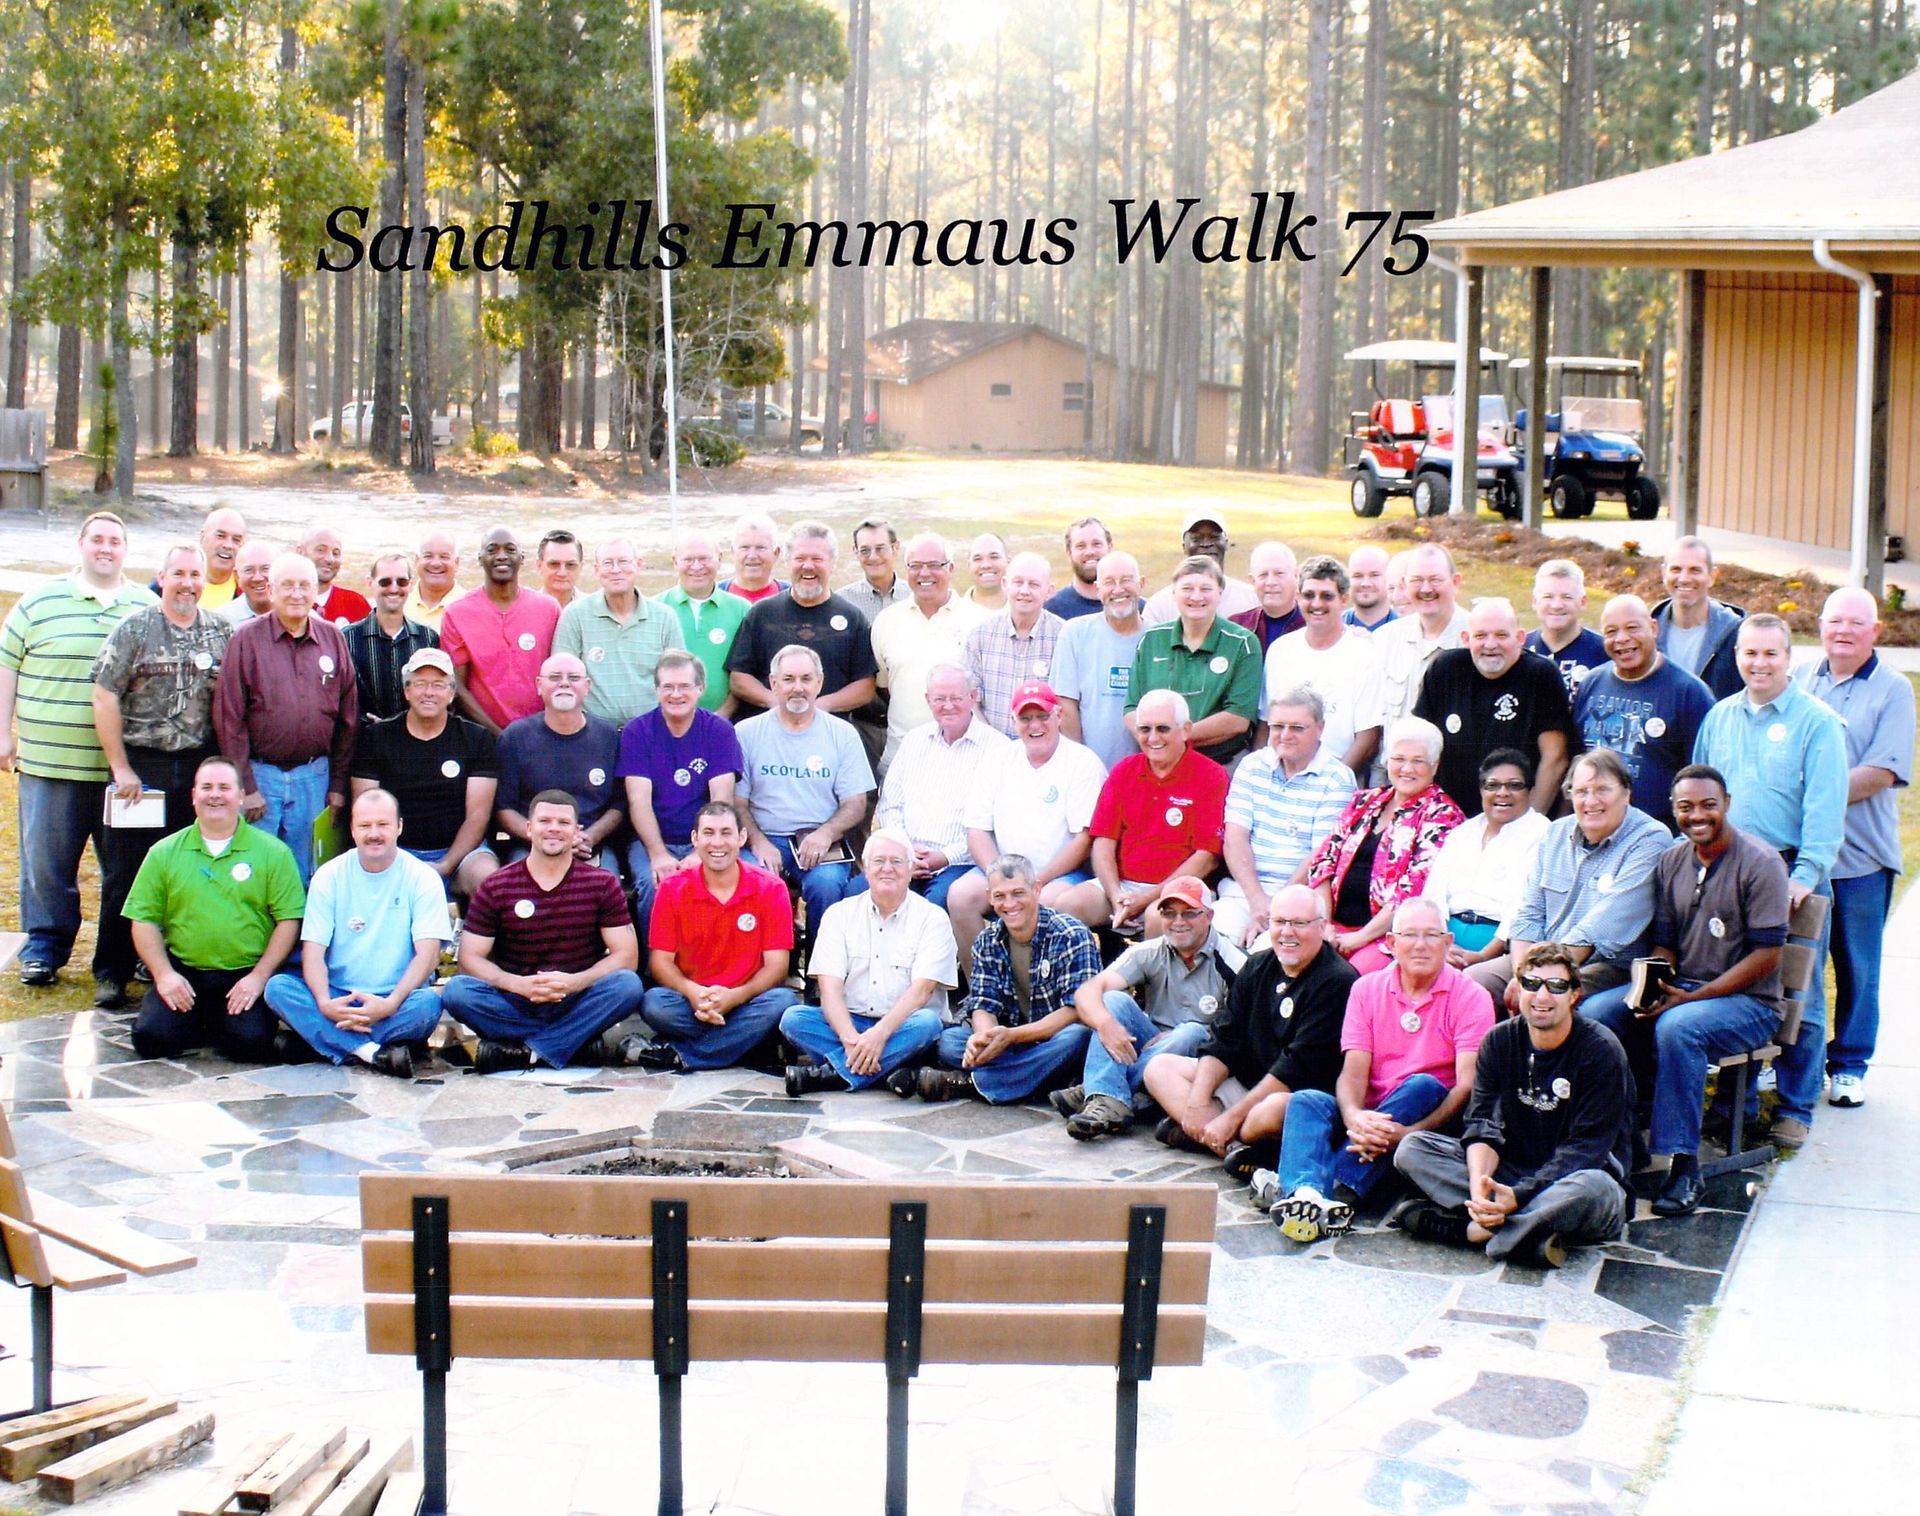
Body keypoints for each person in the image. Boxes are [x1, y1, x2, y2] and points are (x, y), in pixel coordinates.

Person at [1583, 766, 1791, 1214]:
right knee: (1598, 1015)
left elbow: (1768, 956)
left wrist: (1695, 997)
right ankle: (1621, 1140)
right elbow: (1665, 943)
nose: (1697, 815)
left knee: (1679, 1027)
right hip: (1685, 992)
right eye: (1685, 807)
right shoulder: (1673, 861)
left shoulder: (1761, 863)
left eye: (1708, 805)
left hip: (1749, 1004)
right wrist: (1654, 986)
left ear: (1727, 804)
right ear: (1673, 810)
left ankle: (1684, 1167)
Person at [1693, 613, 1847, 1149]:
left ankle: (1795, 1106)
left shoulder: (1818, 723)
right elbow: (1699, 794)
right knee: (1735, 984)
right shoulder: (1719, 717)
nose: (1759, 664)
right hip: (1728, 870)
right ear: (1737, 656)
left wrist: (1803, 877)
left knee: (1800, 991)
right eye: (1750, 653)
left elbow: (1825, 810)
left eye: (1770, 654)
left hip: (1790, 872)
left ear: (1788, 659)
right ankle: (1731, 1106)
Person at [1264, 897, 1494, 1243]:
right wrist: (1355, 1117)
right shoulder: (1366, 989)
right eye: (1409, 935)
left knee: (1422, 1086)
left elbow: (1466, 1085)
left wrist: (1408, 1132)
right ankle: (1307, 1195)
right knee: (1306, 1101)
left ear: (1448, 943)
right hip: (1371, 1117)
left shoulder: (1472, 996)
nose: (1420, 945)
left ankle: (1332, 1189)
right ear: (1391, 942)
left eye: (1431, 935)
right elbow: (1353, 1072)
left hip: (1427, 1119)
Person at [1392, 940, 1632, 1266]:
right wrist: (1480, 1188)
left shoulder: (1601, 1050)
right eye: (1531, 984)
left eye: (1556, 986)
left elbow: (1586, 1151)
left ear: (1575, 995)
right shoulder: (1499, 1040)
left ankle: (1469, 1232)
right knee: (1413, 1149)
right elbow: (1482, 1124)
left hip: (1574, 1177)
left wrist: (1518, 1196)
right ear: (1518, 989)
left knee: (1593, 1188)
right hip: (1511, 1171)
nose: (1542, 996)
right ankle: (1526, 1233)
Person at [0, 511, 156, 988]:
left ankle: (131, 951)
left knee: (128, 870)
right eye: (97, 539)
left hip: (123, 770)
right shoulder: (38, 602)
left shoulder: (144, 606)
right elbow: (6, 666)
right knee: (47, 865)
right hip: (51, 762)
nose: (105, 548)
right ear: (81, 544)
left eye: (115, 541)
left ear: (125, 550)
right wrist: (2, 732)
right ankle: (44, 948)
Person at [91, 543, 233, 1005]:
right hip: (142, 769)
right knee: (127, 873)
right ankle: (111, 970)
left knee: (189, 870)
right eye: (179, 574)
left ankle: (168, 964)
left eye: (195, 575)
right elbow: (104, 696)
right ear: (162, 577)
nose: (187, 584)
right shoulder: (135, 628)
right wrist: (120, 767)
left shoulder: (221, 632)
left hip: (197, 767)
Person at [1795, 587, 1914, 1108]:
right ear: (1821, 626)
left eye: (1855, 623)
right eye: (1835, 621)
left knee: (1857, 968)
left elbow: (1883, 770)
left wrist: (1811, 792)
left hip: (1860, 858)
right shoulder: (1801, 677)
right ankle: (1794, 1063)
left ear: (1876, 632)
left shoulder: (1893, 690)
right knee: (1797, 965)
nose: (1843, 631)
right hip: (1802, 857)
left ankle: (1848, 1065)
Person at [1146, 887, 1358, 1170]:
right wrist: (1197, 1102)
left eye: (1299, 923)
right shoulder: (1258, 965)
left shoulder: (1337, 981)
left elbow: (1294, 1068)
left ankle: (1214, 1135)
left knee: (1273, 1111)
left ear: (1322, 927)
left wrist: (1231, 1117)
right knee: (1159, 1068)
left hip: (1296, 1095)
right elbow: (1224, 1039)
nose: (1287, 932)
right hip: (1248, 1084)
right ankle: (1233, 1147)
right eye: (1279, 922)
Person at [441, 790, 645, 1073]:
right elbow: (469, 959)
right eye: (545, 821)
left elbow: (626, 957)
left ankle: (526, 1051)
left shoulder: (602, 884)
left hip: (577, 998)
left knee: (627, 985)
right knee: (457, 992)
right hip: (515, 999)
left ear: (577, 832)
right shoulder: (497, 885)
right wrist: (517, 984)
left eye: (563, 823)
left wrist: (575, 982)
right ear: (529, 828)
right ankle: (573, 1042)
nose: (553, 829)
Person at [124, 756, 304, 1062]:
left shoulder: (274, 852)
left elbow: (289, 920)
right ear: (194, 796)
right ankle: (205, 1021)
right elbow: (143, 920)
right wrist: (164, 975)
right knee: (151, 1040)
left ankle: (215, 1024)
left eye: (224, 787)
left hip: (243, 973)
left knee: (251, 1044)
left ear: (241, 796)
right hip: (185, 971)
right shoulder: (164, 852)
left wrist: (259, 977)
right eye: (206, 787)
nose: (215, 795)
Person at [263, 788, 449, 1076]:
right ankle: (373, 1052)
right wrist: (324, 1003)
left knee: (428, 1005)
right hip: (338, 996)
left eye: (383, 824)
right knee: (278, 989)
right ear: (352, 829)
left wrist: (389, 1004)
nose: (374, 833)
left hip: (397, 998)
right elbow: (313, 952)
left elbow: (428, 956)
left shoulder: (423, 877)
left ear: (399, 826)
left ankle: (325, 1041)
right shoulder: (329, 875)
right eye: (365, 825)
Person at [1469, 749, 1671, 1006]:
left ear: (1626, 792)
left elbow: (1601, 928)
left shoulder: (1649, 838)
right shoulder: (1555, 833)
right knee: (1473, 984)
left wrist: (1538, 978)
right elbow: (1528, 913)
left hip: (1605, 966)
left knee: (1555, 995)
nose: (1591, 801)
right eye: (1581, 791)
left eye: (1603, 790)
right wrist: (1523, 974)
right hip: (1538, 959)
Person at [1053, 876, 1245, 1141]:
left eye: (1190, 913)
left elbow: (1243, 1033)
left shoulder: (1233, 962)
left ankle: (1101, 1091)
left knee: (1190, 1033)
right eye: (1169, 913)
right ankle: (1110, 1097)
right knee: (1113, 1000)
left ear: (1209, 916)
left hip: (1198, 1058)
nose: (1178, 921)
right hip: (1151, 1043)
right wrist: (1105, 1024)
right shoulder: (1149, 951)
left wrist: (1184, 1034)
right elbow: (1088, 990)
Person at [212, 551, 358, 884]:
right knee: (252, 872)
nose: (296, 594)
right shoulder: (246, 639)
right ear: (271, 590)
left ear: (315, 590)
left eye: (304, 585)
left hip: (314, 777)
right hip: (261, 776)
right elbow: (229, 718)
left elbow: (348, 718)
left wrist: (337, 784)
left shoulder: (332, 638)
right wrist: (246, 786)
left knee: (307, 874)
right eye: (287, 585)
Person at [911, 854, 1103, 1104]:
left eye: (1018, 893)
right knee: (950, 1043)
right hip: (1014, 1043)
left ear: (1036, 889)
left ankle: (972, 1085)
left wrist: (1012, 1036)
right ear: (989, 897)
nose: (1009, 903)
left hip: (1053, 1037)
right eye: (1000, 896)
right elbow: (983, 1003)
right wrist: (986, 1040)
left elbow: (1077, 1011)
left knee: (1078, 1038)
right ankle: (1033, 1078)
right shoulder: (987, 940)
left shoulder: (1071, 934)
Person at [779, 828, 956, 1095]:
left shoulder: (933, 918)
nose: (887, 868)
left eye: (897, 862)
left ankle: (829, 1076)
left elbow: (922, 992)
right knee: (794, 1019)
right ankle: (891, 1069)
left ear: (910, 869)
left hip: (904, 1024)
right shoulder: (838, 914)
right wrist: (850, 1039)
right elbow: (829, 990)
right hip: (850, 1022)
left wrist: (880, 1035)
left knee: (928, 1024)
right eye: (879, 861)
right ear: (865, 868)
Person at [951, 681, 1106, 964]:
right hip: (1004, 870)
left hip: (1060, 875)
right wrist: (998, 878)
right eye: (1025, 718)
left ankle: (1035, 987)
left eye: (1042, 716)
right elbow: (977, 830)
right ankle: (982, 985)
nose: (1035, 725)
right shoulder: (997, 759)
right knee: (961, 896)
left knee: (1042, 904)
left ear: (1059, 715)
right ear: (1013, 720)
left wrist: (1038, 880)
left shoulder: (1082, 762)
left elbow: (1084, 839)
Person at [1055, 690, 1229, 937]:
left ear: (1186, 730)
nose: (1153, 738)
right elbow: (1103, 842)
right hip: (1122, 888)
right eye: (1145, 729)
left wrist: (1148, 898)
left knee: (1159, 917)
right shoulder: (1124, 770)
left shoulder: (1210, 776)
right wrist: (1116, 895)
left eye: (1163, 729)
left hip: (1179, 889)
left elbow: (1206, 858)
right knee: (1066, 906)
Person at [640, 800, 799, 1071]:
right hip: (693, 1003)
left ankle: (685, 1054)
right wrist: (693, 993)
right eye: (708, 833)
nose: (717, 843)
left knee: (783, 1003)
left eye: (726, 833)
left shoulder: (771, 888)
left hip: (748, 1000)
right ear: (695, 839)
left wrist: (735, 997)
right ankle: (746, 1044)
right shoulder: (671, 888)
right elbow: (660, 962)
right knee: (654, 1004)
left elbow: (777, 967)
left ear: (742, 837)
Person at [1305, 717, 1463, 975]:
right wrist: (1324, 925)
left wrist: (1359, 938)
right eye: (1399, 759)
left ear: (1434, 766)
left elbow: (1412, 890)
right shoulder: (1363, 801)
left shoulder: (1443, 815)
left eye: (1418, 761)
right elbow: (1324, 861)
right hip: (1331, 926)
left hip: (1385, 937)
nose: (1407, 768)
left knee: (1345, 978)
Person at [736, 644, 874, 933]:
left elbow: (856, 803)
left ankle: (819, 961)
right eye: (788, 679)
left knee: (826, 884)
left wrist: (826, 834)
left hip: (820, 837)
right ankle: (771, 960)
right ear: (773, 683)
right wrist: (757, 842)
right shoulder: (746, 733)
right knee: (754, 878)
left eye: (806, 679)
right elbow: (737, 802)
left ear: (819, 683)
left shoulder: (843, 734)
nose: (797, 688)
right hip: (764, 836)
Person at [618, 649, 744, 947]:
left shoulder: (718, 730)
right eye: (668, 687)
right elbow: (638, 801)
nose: (676, 694)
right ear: (656, 690)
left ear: (701, 688)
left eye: (685, 686)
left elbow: (721, 800)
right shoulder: (637, 731)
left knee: (742, 879)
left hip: (708, 838)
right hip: (653, 840)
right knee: (654, 885)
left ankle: (726, 961)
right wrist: (658, 854)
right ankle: (654, 967)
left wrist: (701, 850)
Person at [349, 648, 500, 897]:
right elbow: (367, 810)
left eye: (439, 685)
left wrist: (445, 865)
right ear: (407, 691)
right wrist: (405, 865)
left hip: (461, 856)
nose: (429, 692)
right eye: (420, 684)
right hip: (396, 853)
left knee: (487, 879)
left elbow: (478, 816)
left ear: (451, 694)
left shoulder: (477, 739)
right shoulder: (376, 738)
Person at [1216, 689, 1358, 948]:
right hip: (1244, 891)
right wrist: (1257, 900)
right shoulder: (1251, 766)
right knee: (1210, 938)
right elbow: (1235, 839)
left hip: (1300, 898)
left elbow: (1320, 855)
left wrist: (1275, 908)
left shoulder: (1337, 778)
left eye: (1297, 728)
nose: (1285, 735)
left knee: (1267, 953)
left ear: (1320, 728)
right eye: (1278, 726)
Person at [1413, 596, 1574, 816]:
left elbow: (1555, 758)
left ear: (1520, 638)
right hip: (1447, 816)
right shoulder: (1445, 669)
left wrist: (1530, 823)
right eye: (1480, 636)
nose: (1490, 645)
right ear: (1466, 638)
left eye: (1501, 635)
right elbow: (1420, 745)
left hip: (1514, 817)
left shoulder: (1540, 675)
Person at [1572, 594, 1716, 833]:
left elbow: (1704, 778)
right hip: (1595, 829)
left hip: (1659, 835)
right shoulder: (1591, 683)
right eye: (1611, 631)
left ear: (1654, 628)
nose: (1622, 639)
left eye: (1632, 628)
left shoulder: (1689, 693)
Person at [869, 664, 1005, 908]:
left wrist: (944, 857)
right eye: (940, 699)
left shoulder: (997, 749)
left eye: (956, 698)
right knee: (858, 891)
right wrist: (905, 852)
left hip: (961, 863)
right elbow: (890, 805)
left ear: (973, 697)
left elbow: (992, 825)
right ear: (928, 700)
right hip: (906, 858)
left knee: (933, 905)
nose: (948, 706)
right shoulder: (914, 740)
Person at [725, 522, 876, 718]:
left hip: (829, 728)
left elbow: (865, 685)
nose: (808, 566)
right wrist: (776, 703)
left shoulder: (852, 618)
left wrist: (821, 707)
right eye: (800, 558)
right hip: (770, 726)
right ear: (787, 561)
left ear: (833, 562)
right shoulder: (761, 613)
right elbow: (738, 678)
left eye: (817, 559)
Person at [1419, 750, 1550, 971]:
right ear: (1481, 790)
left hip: (1498, 945)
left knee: (1462, 980)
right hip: (1444, 939)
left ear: (1530, 791)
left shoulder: (1541, 833)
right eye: (1492, 785)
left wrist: (1482, 956)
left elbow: (1522, 909)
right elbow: (1433, 894)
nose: (1503, 793)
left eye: (1514, 786)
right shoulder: (1463, 832)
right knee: (1389, 977)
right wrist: (1438, 942)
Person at [1126, 556, 1262, 768]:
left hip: (1222, 763)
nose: (1196, 596)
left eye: (1206, 588)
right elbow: (1131, 708)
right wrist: (1162, 742)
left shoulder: (1243, 643)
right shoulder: (1152, 639)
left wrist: (1173, 738)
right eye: (1187, 588)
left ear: (1220, 593)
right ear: (1174, 593)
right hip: (1160, 763)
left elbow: (1238, 718)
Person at [494, 654, 624, 871]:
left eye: (573, 677)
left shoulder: (610, 737)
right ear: (539, 685)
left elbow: (618, 805)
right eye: (555, 677)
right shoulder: (515, 737)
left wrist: (590, 837)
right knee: (518, 885)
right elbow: (504, 808)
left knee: (607, 884)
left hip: (588, 846)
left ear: (587, 686)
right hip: (531, 846)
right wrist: (544, 838)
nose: (564, 683)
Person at [870, 533, 989, 767]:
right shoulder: (886, 621)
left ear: (951, 569)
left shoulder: (980, 622)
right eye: (915, 566)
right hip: (902, 757)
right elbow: (884, 686)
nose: (924, 573)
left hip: (965, 760)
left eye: (935, 565)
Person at [1263, 555, 1385, 777]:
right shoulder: (1280, 650)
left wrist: (1331, 783)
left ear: (1344, 599)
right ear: (1298, 597)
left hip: (1338, 775)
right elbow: (1266, 722)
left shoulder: (1365, 655)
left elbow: (1367, 737)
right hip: (1280, 772)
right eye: (1309, 595)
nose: (1317, 604)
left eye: (1327, 596)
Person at [439, 526, 562, 735]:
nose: (501, 556)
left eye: (510, 549)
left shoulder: (549, 609)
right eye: (492, 550)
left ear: (522, 557)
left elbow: (559, 675)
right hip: (482, 735)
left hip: (542, 733)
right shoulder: (457, 613)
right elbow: (457, 686)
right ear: (480, 558)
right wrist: (496, 734)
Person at [552, 537, 684, 726]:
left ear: (639, 565)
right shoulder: (575, 615)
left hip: (651, 730)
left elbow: (678, 677)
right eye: (607, 563)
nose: (615, 570)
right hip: (592, 730)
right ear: (596, 570)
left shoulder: (665, 617)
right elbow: (561, 677)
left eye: (623, 561)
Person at [1050, 549, 1148, 770]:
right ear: (1097, 589)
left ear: (1141, 584)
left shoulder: (1157, 637)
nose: (1118, 589)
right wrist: (1083, 766)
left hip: (1146, 772)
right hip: (1090, 769)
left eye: (1126, 580)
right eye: (1109, 582)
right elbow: (1065, 704)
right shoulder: (1075, 633)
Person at [1373, 543, 1470, 743]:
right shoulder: (1384, 641)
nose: (1426, 589)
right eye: (1417, 580)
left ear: (1455, 582)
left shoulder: (1478, 641)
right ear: (1404, 584)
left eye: (1435, 580)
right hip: (1393, 763)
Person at [964, 552, 1064, 738]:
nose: (1024, 591)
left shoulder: (1064, 637)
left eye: (1034, 584)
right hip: (991, 747)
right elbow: (971, 701)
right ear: (1005, 584)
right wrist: (993, 744)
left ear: (1049, 591)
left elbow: (1067, 705)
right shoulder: (980, 635)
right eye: (1018, 582)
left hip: (1045, 746)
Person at [342, 551, 439, 722]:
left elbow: (438, 694)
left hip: (416, 735)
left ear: (410, 584)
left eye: (401, 582)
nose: (394, 588)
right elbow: (339, 697)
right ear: (370, 583)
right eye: (385, 582)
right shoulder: (346, 639)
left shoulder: (428, 639)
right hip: (364, 735)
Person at [657, 530, 746, 716]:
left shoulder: (742, 609)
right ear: (675, 561)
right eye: (688, 559)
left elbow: (747, 672)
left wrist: (721, 716)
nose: (697, 566)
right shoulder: (656, 608)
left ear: (719, 559)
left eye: (704, 559)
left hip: (727, 721)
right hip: (667, 721)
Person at [1652, 535, 1744, 699]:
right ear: (1664, 573)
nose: (1684, 579)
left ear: (1712, 576)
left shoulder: (1737, 636)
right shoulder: (1647, 633)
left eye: (1695, 570)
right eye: (1676, 569)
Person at [1141, 509, 1258, 623]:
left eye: (1214, 537)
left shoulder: (1252, 600)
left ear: (1226, 543)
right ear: (1184, 546)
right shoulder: (1160, 606)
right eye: (1196, 539)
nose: (1206, 544)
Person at [1525, 560, 1607, 698]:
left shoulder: (1604, 654)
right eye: (1548, 597)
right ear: (1535, 602)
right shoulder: (1517, 650)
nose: (1556, 605)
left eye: (1567, 597)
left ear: (1583, 602)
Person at [1228, 541, 1305, 651]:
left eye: (1279, 573)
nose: (1271, 582)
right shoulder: (1236, 628)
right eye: (1263, 575)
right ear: (1252, 581)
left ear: (1296, 576)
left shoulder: (1312, 626)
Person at [168, 507, 246, 608]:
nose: (228, 545)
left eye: (236, 540)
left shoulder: (248, 592)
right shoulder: (170, 582)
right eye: (221, 536)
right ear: (202, 537)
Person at [844, 517, 913, 624]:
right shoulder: (844, 601)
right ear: (856, 552)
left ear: (895, 548)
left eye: (880, 549)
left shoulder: (915, 597)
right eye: (865, 550)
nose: (873, 557)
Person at [300, 528, 372, 626]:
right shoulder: (286, 601)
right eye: (321, 550)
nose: (330, 559)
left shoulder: (356, 604)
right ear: (300, 552)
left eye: (335, 553)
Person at [1044, 516, 1112, 620]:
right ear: (1069, 553)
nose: (1089, 552)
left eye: (1097, 544)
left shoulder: (1132, 606)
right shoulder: (1052, 612)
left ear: (1110, 548)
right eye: (1081, 546)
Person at [721, 513, 788, 603]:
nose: (752, 556)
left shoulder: (795, 598)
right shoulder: (712, 597)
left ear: (776, 553)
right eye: (744, 547)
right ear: (733, 552)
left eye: (760, 548)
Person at [404, 531, 461, 631]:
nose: (435, 563)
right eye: (428, 556)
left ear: (457, 563)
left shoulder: (471, 607)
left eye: (444, 557)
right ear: (417, 560)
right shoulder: (399, 603)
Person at [217, 540, 276, 626]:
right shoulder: (221, 621)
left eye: (266, 569)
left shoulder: (294, 614)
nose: (258, 578)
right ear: (237, 576)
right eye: (249, 570)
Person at [1344, 545, 1396, 633]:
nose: (1365, 583)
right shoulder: (1333, 627)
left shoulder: (1408, 630)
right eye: (1357, 576)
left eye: (1374, 575)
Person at [535, 529, 584, 609]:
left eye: (570, 565)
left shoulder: (595, 609)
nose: (562, 573)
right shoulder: (524, 609)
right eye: (554, 564)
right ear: (539, 566)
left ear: (581, 568)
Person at [964, 533, 1009, 611]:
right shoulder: (953, 614)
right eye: (978, 559)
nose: (986, 565)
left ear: (1008, 562)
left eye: (994, 557)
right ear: (969, 566)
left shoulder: (1029, 611)